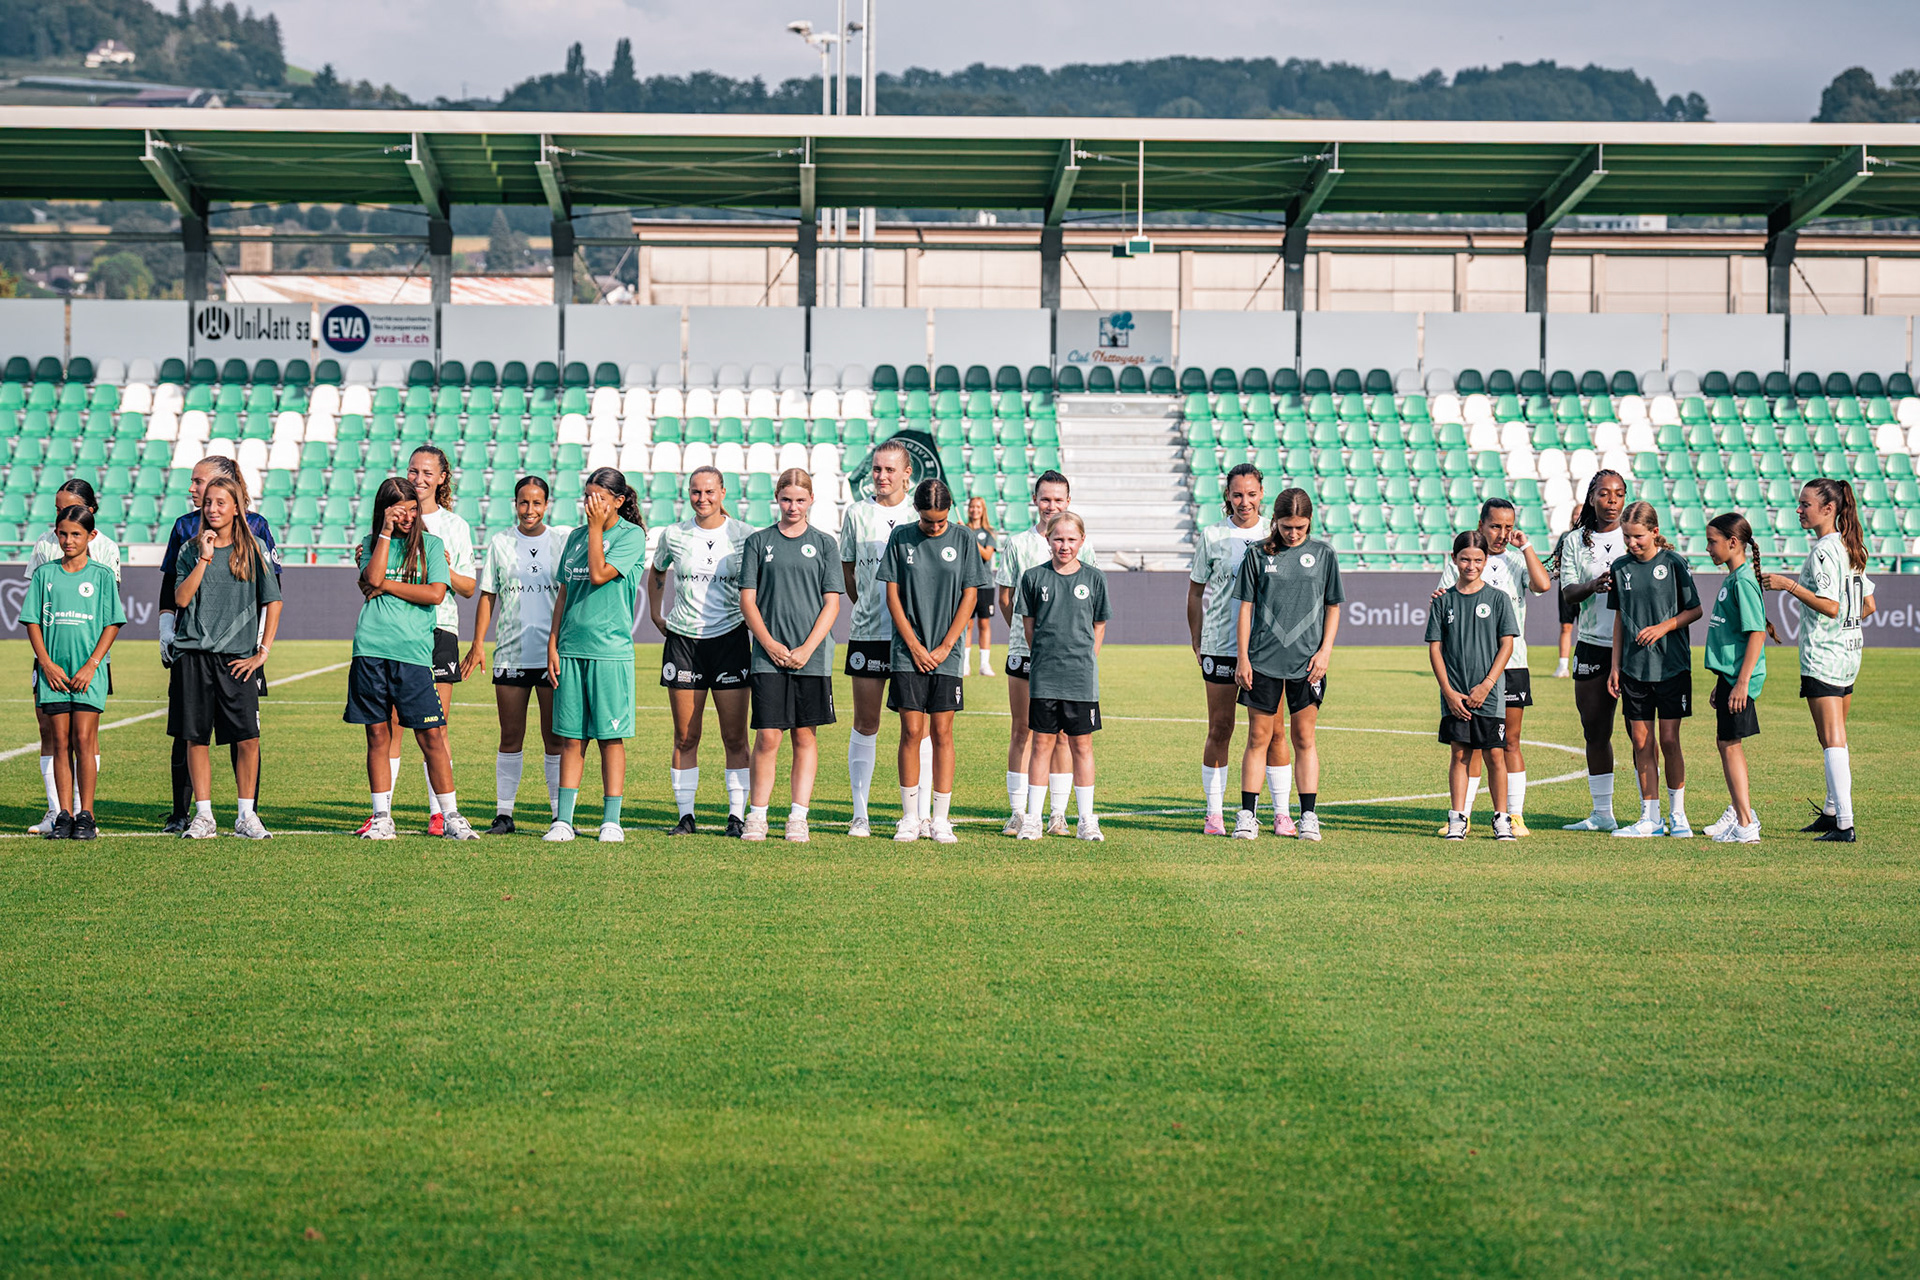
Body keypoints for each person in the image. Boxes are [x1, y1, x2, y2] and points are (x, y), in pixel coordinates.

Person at [344, 478, 476, 841]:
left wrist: (385, 586)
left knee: (432, 734)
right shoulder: (372, 544)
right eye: (398, 509)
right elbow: (369, 577)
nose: (407, 516)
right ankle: (382, 816)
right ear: (384, 511)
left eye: (412, 508)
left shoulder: (432, 545)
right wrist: (385, 535)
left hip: (415, 654)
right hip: (371, 650)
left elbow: (435, 594)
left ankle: (450, 817)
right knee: (377, 734)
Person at [157, 454, 278, 834]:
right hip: (193, 656)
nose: (210, 508)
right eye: (207, 501)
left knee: (247, 738)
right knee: (194, 737)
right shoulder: (189, 547)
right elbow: (179, 598)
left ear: (237, 507)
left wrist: (262, 652)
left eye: (218, 502)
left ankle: (246, 815)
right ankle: (203, 815)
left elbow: (272, 599)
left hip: (238, 658)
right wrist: (205, 558)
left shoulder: (254, 545)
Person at [1760, 478, 1877, 842]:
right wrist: (1845, 627)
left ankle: (1844, 823)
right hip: (1848, 653)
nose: (1799, 510)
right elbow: (1869, 605)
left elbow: (1829, 606)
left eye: (1805, 504)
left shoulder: (1825, 551)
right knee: (1834, 736)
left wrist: (1787, 585)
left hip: (1824, 655)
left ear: (1828, 509)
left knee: (1832, 740)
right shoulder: (1849, 545)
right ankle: (1831, 811)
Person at [877, 477, 991, 843]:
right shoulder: (901, 538)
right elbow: (892, 595)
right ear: (917, 512)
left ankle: (940, 819)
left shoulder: (964, 539)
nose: (935, 527)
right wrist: (913, 644)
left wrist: (944, 647)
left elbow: (970, 596)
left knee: (942, 733)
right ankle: (911, 817)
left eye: (941, 520)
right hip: (907, 652)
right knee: (911, 732)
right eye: (929, 521)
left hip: (947, 653)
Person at [1430, 497, 1552, 834]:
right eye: (1495, 526)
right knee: (1468, 746)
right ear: (1481, 525)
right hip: (1468, 669)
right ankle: (1462, 816)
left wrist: (1526, 546)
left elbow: (1543, 585)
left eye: (1508, 527)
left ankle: (1513, 815)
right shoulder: (1465, 561)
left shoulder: (1516, 560)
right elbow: (1444, 597)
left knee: (1507, 742)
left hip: (1511, 665)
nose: (1502, 533)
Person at [1231, 487, 1343, 842]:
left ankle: (1308, 816)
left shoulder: (1324, 553)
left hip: (1308, 663)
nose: (1293, 534)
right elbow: (1245, 607)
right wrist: (1243, 657)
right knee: (1257, 737)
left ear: (1310, 522)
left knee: (1304, 738)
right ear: (1275, 520)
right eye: (1286, 526)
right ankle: (1247, 815)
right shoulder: (1257, 554)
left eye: (1300, 527)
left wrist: (1325, 652)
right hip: (1262, 661)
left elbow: (1333, 606)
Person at [647, 466, 754, 836]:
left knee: (735, 736)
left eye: (709, 492)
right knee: (685, 735)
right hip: (685, 643)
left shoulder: (745, 536)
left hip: (730, 639)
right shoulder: (674, 534)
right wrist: (656, 613)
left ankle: (736, 816)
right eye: (695, 492)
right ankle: (685, 817)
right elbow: (658, 571)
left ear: (723, 492)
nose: (702, 498)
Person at [461, 475, 570, 835]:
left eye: (537, 503)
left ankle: (559, 816)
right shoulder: (501, 543)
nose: (530, 510)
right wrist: (478, 643)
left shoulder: (562, 542)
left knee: (555, 738)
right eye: (524, 502)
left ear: (546, 505)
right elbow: (487, 595)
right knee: (511, 736)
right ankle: (504, 814)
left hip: (552, 655)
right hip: (510, 654)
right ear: (515, 503)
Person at [737, 469, 842, 842]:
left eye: (800, 500)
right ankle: (758, 815)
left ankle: (798, 816)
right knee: (768, 736)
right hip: (768, 656)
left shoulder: (826, 543)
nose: (792, 506)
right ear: (777, 499)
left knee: (804, 735)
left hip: (811, 657)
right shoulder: (758, 541)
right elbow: (747, 600)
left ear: (811, 500)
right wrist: (768, 643)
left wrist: (807, 648)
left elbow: (831, 603)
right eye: (786, 499)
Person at [545, 468, 648, 843]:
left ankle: (611, 821)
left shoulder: (632, 536)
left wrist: (594, 529)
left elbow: (600, 573)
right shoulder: (573, 537)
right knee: (571, 739)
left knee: (610, 738)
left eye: (600, 498)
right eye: (587, 496)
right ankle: (564, 820)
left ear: (618, 501)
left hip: (609, 653)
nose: (592, 504)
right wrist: (553, 643)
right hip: (570, 650)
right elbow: (563, 594)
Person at [996, 471, 1099, 837]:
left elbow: (1091, 603)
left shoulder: (1081, 544)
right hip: (1025, 652)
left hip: (1068, 658)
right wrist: (1031, 634)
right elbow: (1006, 597)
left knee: (1062, 737)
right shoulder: (1018, 544)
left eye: (1058, 500)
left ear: (1068, 502)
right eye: (1045, 499)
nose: (1051, 506)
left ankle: (1057, 813)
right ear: (1035, 500)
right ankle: (1018, 811)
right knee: (1023, 730)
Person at [25, 480, 121, 836]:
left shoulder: (105, 561)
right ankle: (59, 812)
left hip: (90, 665)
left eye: (75, 532)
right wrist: (45, 662)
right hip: (51, 663)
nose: (67, 539)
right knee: (54, 735)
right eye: (61, 531)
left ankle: (85, 813)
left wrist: (94, 662)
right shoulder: (44, 562)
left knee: (85, 739)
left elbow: (110, 616)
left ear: (90, 531)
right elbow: (34, 615)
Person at [1605, 501, 1703, 838]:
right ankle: (1650, 816)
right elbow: (1619, 618)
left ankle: (1678, 815)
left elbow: (1695, 610)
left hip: (1672, 666)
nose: (1632, 543)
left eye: (1638, 537)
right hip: (1633, 669)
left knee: (1669, 739)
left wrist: (1663, 627)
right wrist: (1615, 665)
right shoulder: (1620, 568)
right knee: (1642, 743)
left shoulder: (1674, 563)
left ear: (1655, 533)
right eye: (1627, 537)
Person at [838, 440, 920, 836]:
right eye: (876, 469)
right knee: (865, 723)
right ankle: (860, 813)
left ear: (908, 474)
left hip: (914, 638)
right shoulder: (856, 513)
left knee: (915, 727)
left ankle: (918, 814)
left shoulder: (919, 514)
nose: (882, 477)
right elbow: (849, 572)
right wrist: (869, 605)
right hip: (868, 633)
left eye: (890, 470)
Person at [1016, 511, 1110, 841]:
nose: (1064, 545)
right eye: (1058, 538)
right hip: (1045, 676)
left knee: (1081, 745)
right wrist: (1046, 658)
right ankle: (1033, 819)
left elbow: (1099, 626)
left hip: (1081, 677)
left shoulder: (1095, 579)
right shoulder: (1032, 578)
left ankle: (1086, 818)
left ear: (1082, 541)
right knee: (1041, 744)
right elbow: (1030, 628)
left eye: (1071, 539)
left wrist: (1085, 658)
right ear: (1047, 539)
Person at [1188, 464, 1270, 835]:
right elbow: (1195, 591)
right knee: (1220, 728)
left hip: (1266, 648)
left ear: (1261, 494)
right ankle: (1214, 812)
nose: (1244, 502)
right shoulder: (1212, 535)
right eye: (1237, 494)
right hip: (1220, 644)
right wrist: (1196, 637)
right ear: (1227, 496)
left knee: (1270, 732)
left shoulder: (1274, 532)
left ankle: (1276, 811)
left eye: (1251, 494)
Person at [1426, 530, 1518, 841]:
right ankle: (1457, 818)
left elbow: (1506, 645)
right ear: (1453, 560)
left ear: (1486, 560)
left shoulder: (1498, 598)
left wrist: (1488, 684)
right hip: (1456, 696)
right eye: (1464, 559)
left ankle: (1502, 818)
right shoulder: (1443, 601)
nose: (1471, 565)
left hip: (1489, 695)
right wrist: (1449, 692)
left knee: (1495, 755)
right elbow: (1435, 648)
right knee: (1460, 754)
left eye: (1477, 559)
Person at [1557, 471, 1630, 831]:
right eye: (1604, 494)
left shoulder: (1635, 534)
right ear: (1592, 498)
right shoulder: (1574, 541)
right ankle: (1603, 814)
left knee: (1642, 732)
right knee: (1595, 731)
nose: (1612, 500)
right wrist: (1593, 584)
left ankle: (1654, 813)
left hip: (1634, 647)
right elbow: (1568, 591)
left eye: (1618, 494)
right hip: (1591, 645)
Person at [1703, 512, 1775, 844]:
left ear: (1733, 543)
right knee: (1726, 744)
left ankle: (1746, 824)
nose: (1708, 548)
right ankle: (1742, 813)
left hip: (1739, 678)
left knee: (1730, 745)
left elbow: (1756, 633)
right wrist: (1723, 681)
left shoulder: (1743, 580)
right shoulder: (1734, 578)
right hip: (1730, 676)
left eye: (1712, 542)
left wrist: (1742, 682)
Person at [964, 495, 998, 676]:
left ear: (983, 509)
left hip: (985, 585)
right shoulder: (963, 530)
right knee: (967, 624)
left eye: (978, 507)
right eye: (972, 506)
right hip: (968, 584)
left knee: (984, 624)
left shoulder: (989, 533)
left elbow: (986, 555)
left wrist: (971, 538)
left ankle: (984, 664)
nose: (974, 509)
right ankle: (965, 664)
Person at [1550, 502, 1584, 679]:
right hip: (1567, 587)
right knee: (1566, 625)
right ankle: (1563, 666)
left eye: (1581, 513)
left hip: (1586, 587)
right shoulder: (1565, 536)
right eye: (1575, 514)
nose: (1577, 517)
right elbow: (1556, 559)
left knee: (1587, 627)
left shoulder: (1593, 536)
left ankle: (1584, 663)